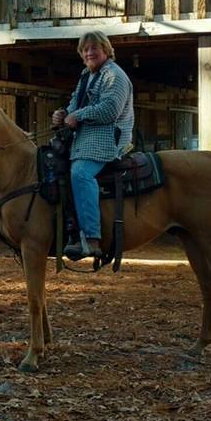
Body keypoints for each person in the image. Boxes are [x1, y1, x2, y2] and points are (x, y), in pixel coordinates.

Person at [51, 31, 135, 261]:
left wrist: (77, 115)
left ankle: (91, 238)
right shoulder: (86, 75)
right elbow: (74, 102)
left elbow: (110, 109)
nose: (89, 52)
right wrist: (63, 114)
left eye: (94, 48)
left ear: (106, 50)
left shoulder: (114, 75)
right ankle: (68, 229)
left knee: (80, 173)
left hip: (108, 136)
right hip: (86, 135)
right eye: (85, 49)